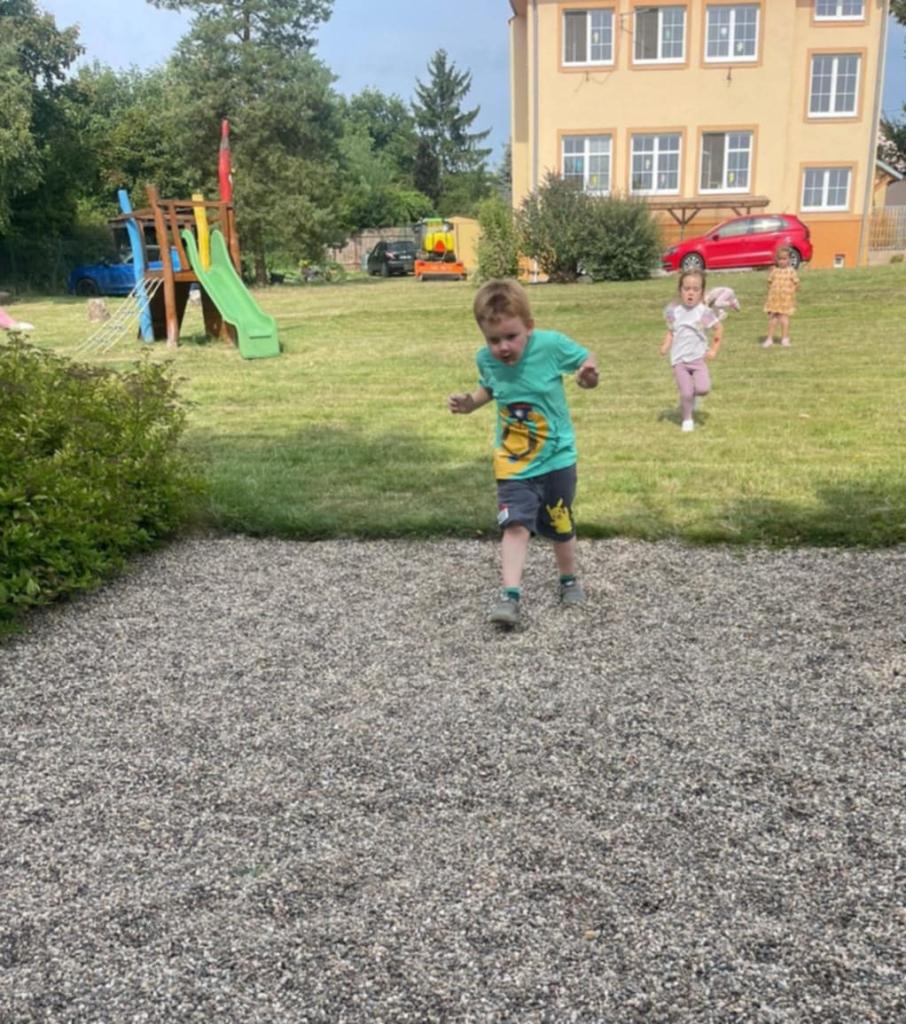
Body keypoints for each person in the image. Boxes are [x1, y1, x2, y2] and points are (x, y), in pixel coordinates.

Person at [447, 278, 599, 628]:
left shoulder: (550, 346)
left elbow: (586, 362)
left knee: (559, 522)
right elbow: (489, 389)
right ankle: (510, 596)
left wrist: (588, 376)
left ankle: (568, 578)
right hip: (513, 462)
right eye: (493, 340)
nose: (502, 347)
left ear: (529, 326)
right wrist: (469, 403)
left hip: (557, 458)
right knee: (515, 525)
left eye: (511, 337)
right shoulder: (486, 360)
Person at [660, 269, 723, 433]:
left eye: (695, 289)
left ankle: (691, 398)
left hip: (698, 359)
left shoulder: (704, 313)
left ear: (702, 292)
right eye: (686, 289)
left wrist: (713, 350)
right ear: (680, 290)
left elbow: (718, 329)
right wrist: (666, 345)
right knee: (686, 392)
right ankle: (687, 419)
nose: (690, 293)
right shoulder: (674, 311)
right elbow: (671, 331)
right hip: (679, 360)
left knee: (703, 389)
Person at [762, 246, 799, 348]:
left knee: (784, 319)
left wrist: (791, 293)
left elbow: (796, 284)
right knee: (773, 319)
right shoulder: (774, 271)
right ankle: (769, 339)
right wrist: (772, 294)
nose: (782, 261)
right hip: (775, 299)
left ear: (789, 259)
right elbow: (769, 283)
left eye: (784, 259)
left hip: (785, 300)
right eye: (780, 259)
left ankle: (784, 339)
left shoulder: (791, 271)